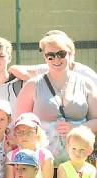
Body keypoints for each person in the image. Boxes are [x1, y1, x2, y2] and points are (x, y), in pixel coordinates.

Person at [15, 32, 97, 169]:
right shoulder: (32, 85)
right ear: (45, 57)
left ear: (71, 53)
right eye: (50, 55)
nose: (56, 59)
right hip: (41, 165)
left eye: (61, 54)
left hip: (78, 164)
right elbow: (18, 124)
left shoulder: (86, 84)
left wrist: (76, 128)